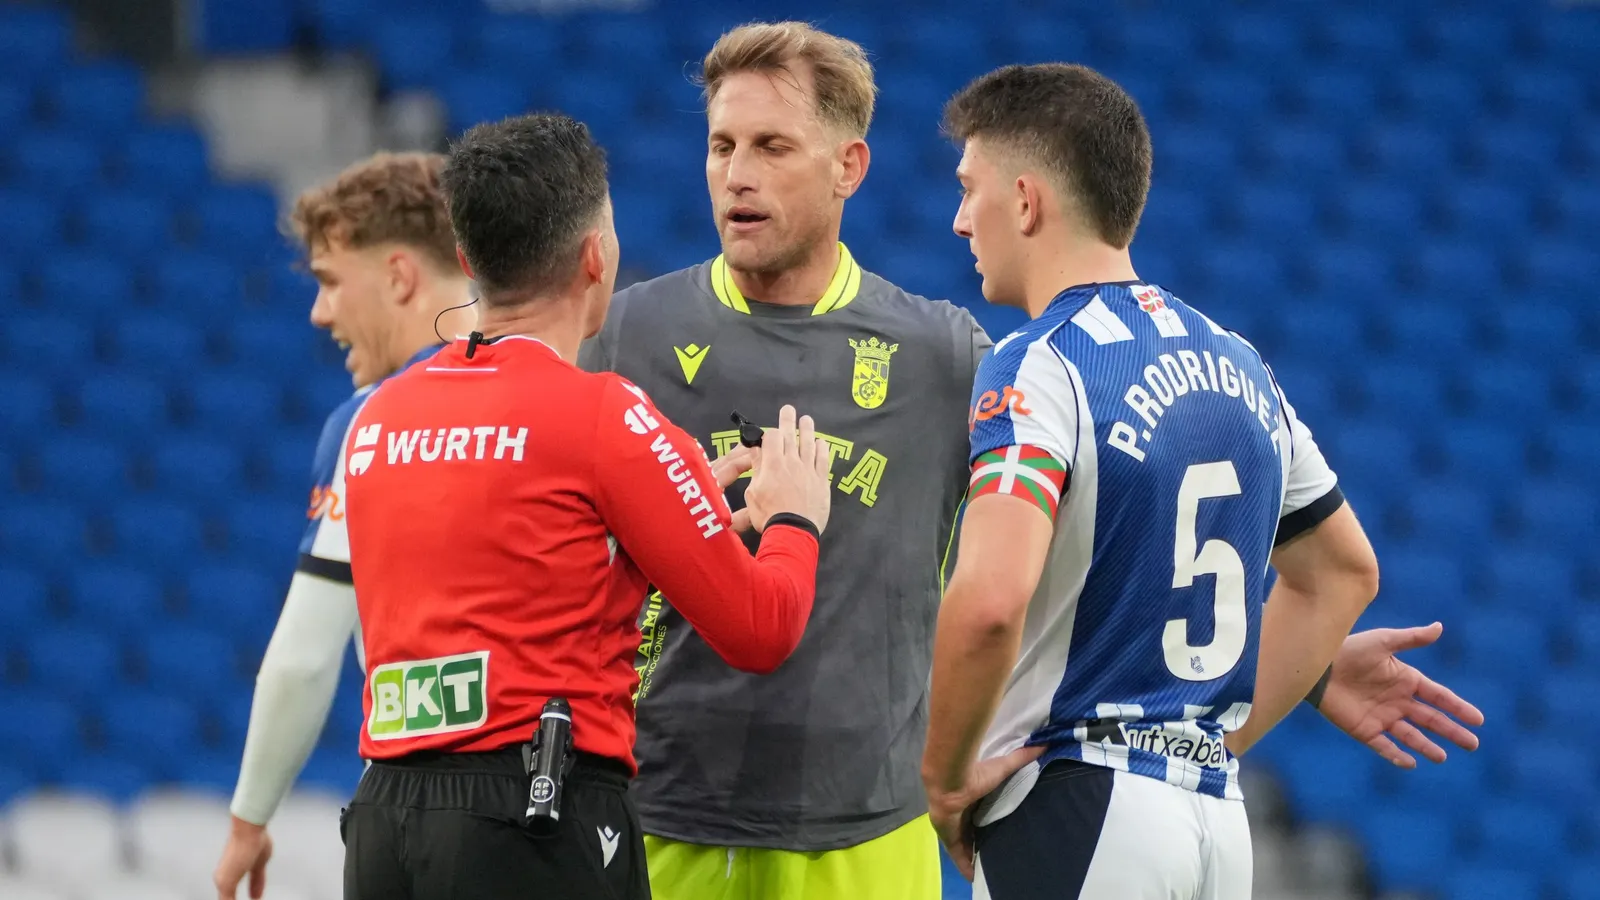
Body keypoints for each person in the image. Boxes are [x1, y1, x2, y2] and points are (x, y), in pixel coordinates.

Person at [920, 63, 1485, 899]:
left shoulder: (1038, 363)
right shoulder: (1241, 363)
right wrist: (1214, 729)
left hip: (1079, 805)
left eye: (971, 189)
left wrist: (943, 779)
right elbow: (1343, 573)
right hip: (1216, 820)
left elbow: (991, 604)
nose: (961, 219)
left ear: (1027, 201)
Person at [337, 113, 835, 900]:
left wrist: (659, 511)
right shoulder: (606, 417)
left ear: (467, 259)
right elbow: (760, 628)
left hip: (382, 822)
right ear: (596, 258)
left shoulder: (378, 417)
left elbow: (507, 551)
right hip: (532, 818)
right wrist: (795, 519)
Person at [579, 22, 988, 900]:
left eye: (772, 146)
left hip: (867, 831)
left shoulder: (943, 357)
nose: (737, 174)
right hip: (656, 814)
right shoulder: (624, 335)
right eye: (722, 145)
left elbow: (1059, 545)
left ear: (849, 167)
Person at [213, 152, 476, 900]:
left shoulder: (375, 422)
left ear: (398, 276)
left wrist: (249, 818)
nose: (319, 313)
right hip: (574, 802)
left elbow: (302, 657)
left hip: (423, 805)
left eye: (330, 282)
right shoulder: (579, 395)